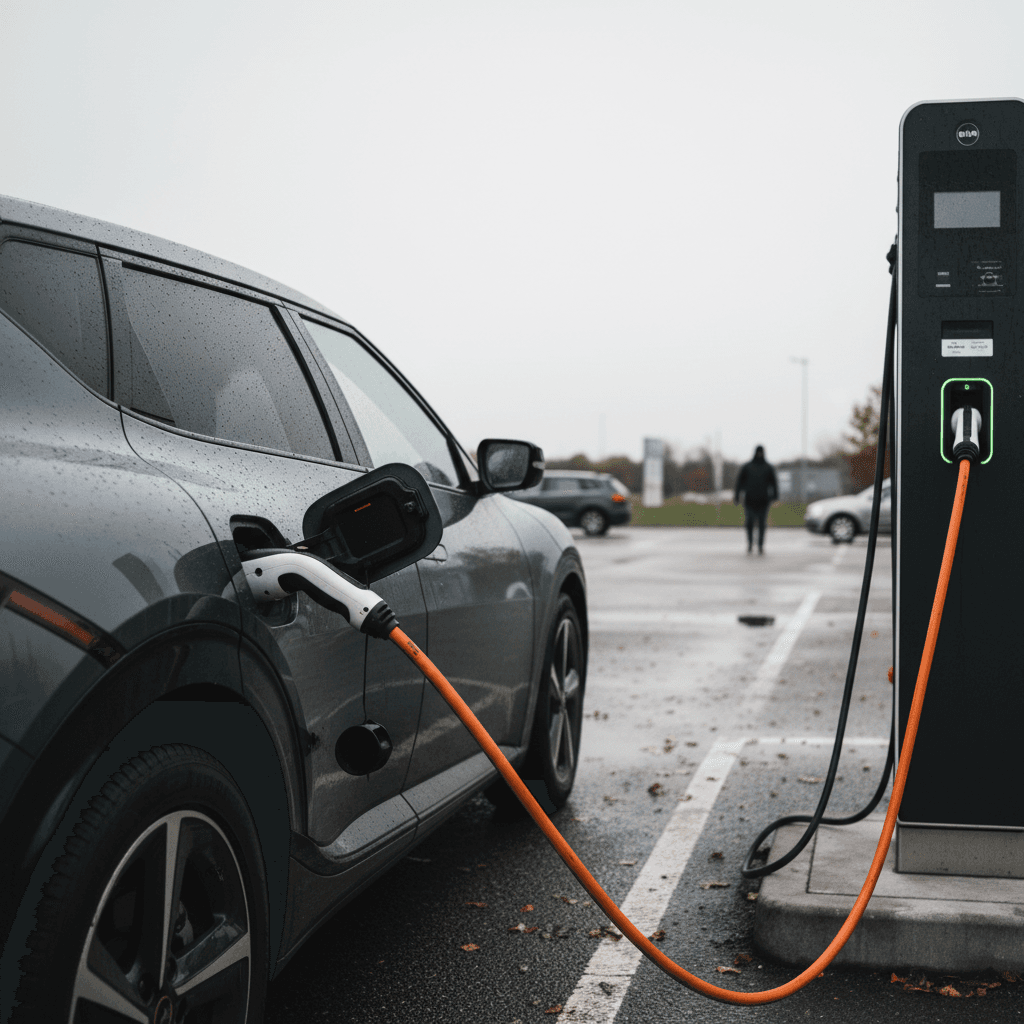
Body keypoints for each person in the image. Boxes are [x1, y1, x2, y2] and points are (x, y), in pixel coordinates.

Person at [734, 445, 778, 554]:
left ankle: (760, 545)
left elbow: (774, 483)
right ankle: (749, 543)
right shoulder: (747, 467)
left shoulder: (768, 467)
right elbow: (739, 482)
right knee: (749, 522)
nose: (759, 454)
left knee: (762, 524)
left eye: (761, 452)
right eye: (758, 452)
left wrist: (775, 496)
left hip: (763, 500)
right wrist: (737, 496)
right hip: (750, 500)